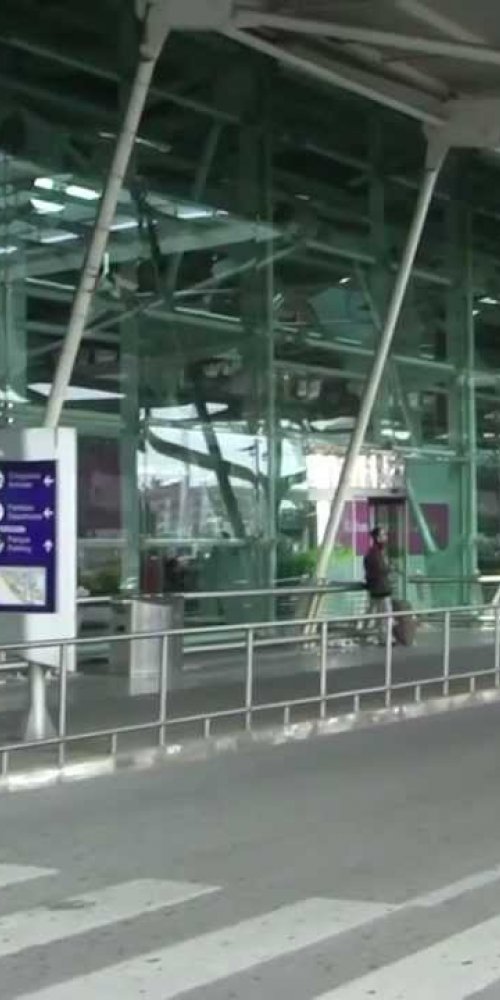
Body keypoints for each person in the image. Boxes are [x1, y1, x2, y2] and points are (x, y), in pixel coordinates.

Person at [363, 526, 393, 643]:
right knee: (386, 615)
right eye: (383, 535)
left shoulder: (374, 552)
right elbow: (381, 568)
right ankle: (385, 638)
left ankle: (370, 635)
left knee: (376, 614)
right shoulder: (376, 553)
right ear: (377, 537)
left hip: (376, 588)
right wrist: (389, 567)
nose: (386, 537)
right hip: (381, 589)